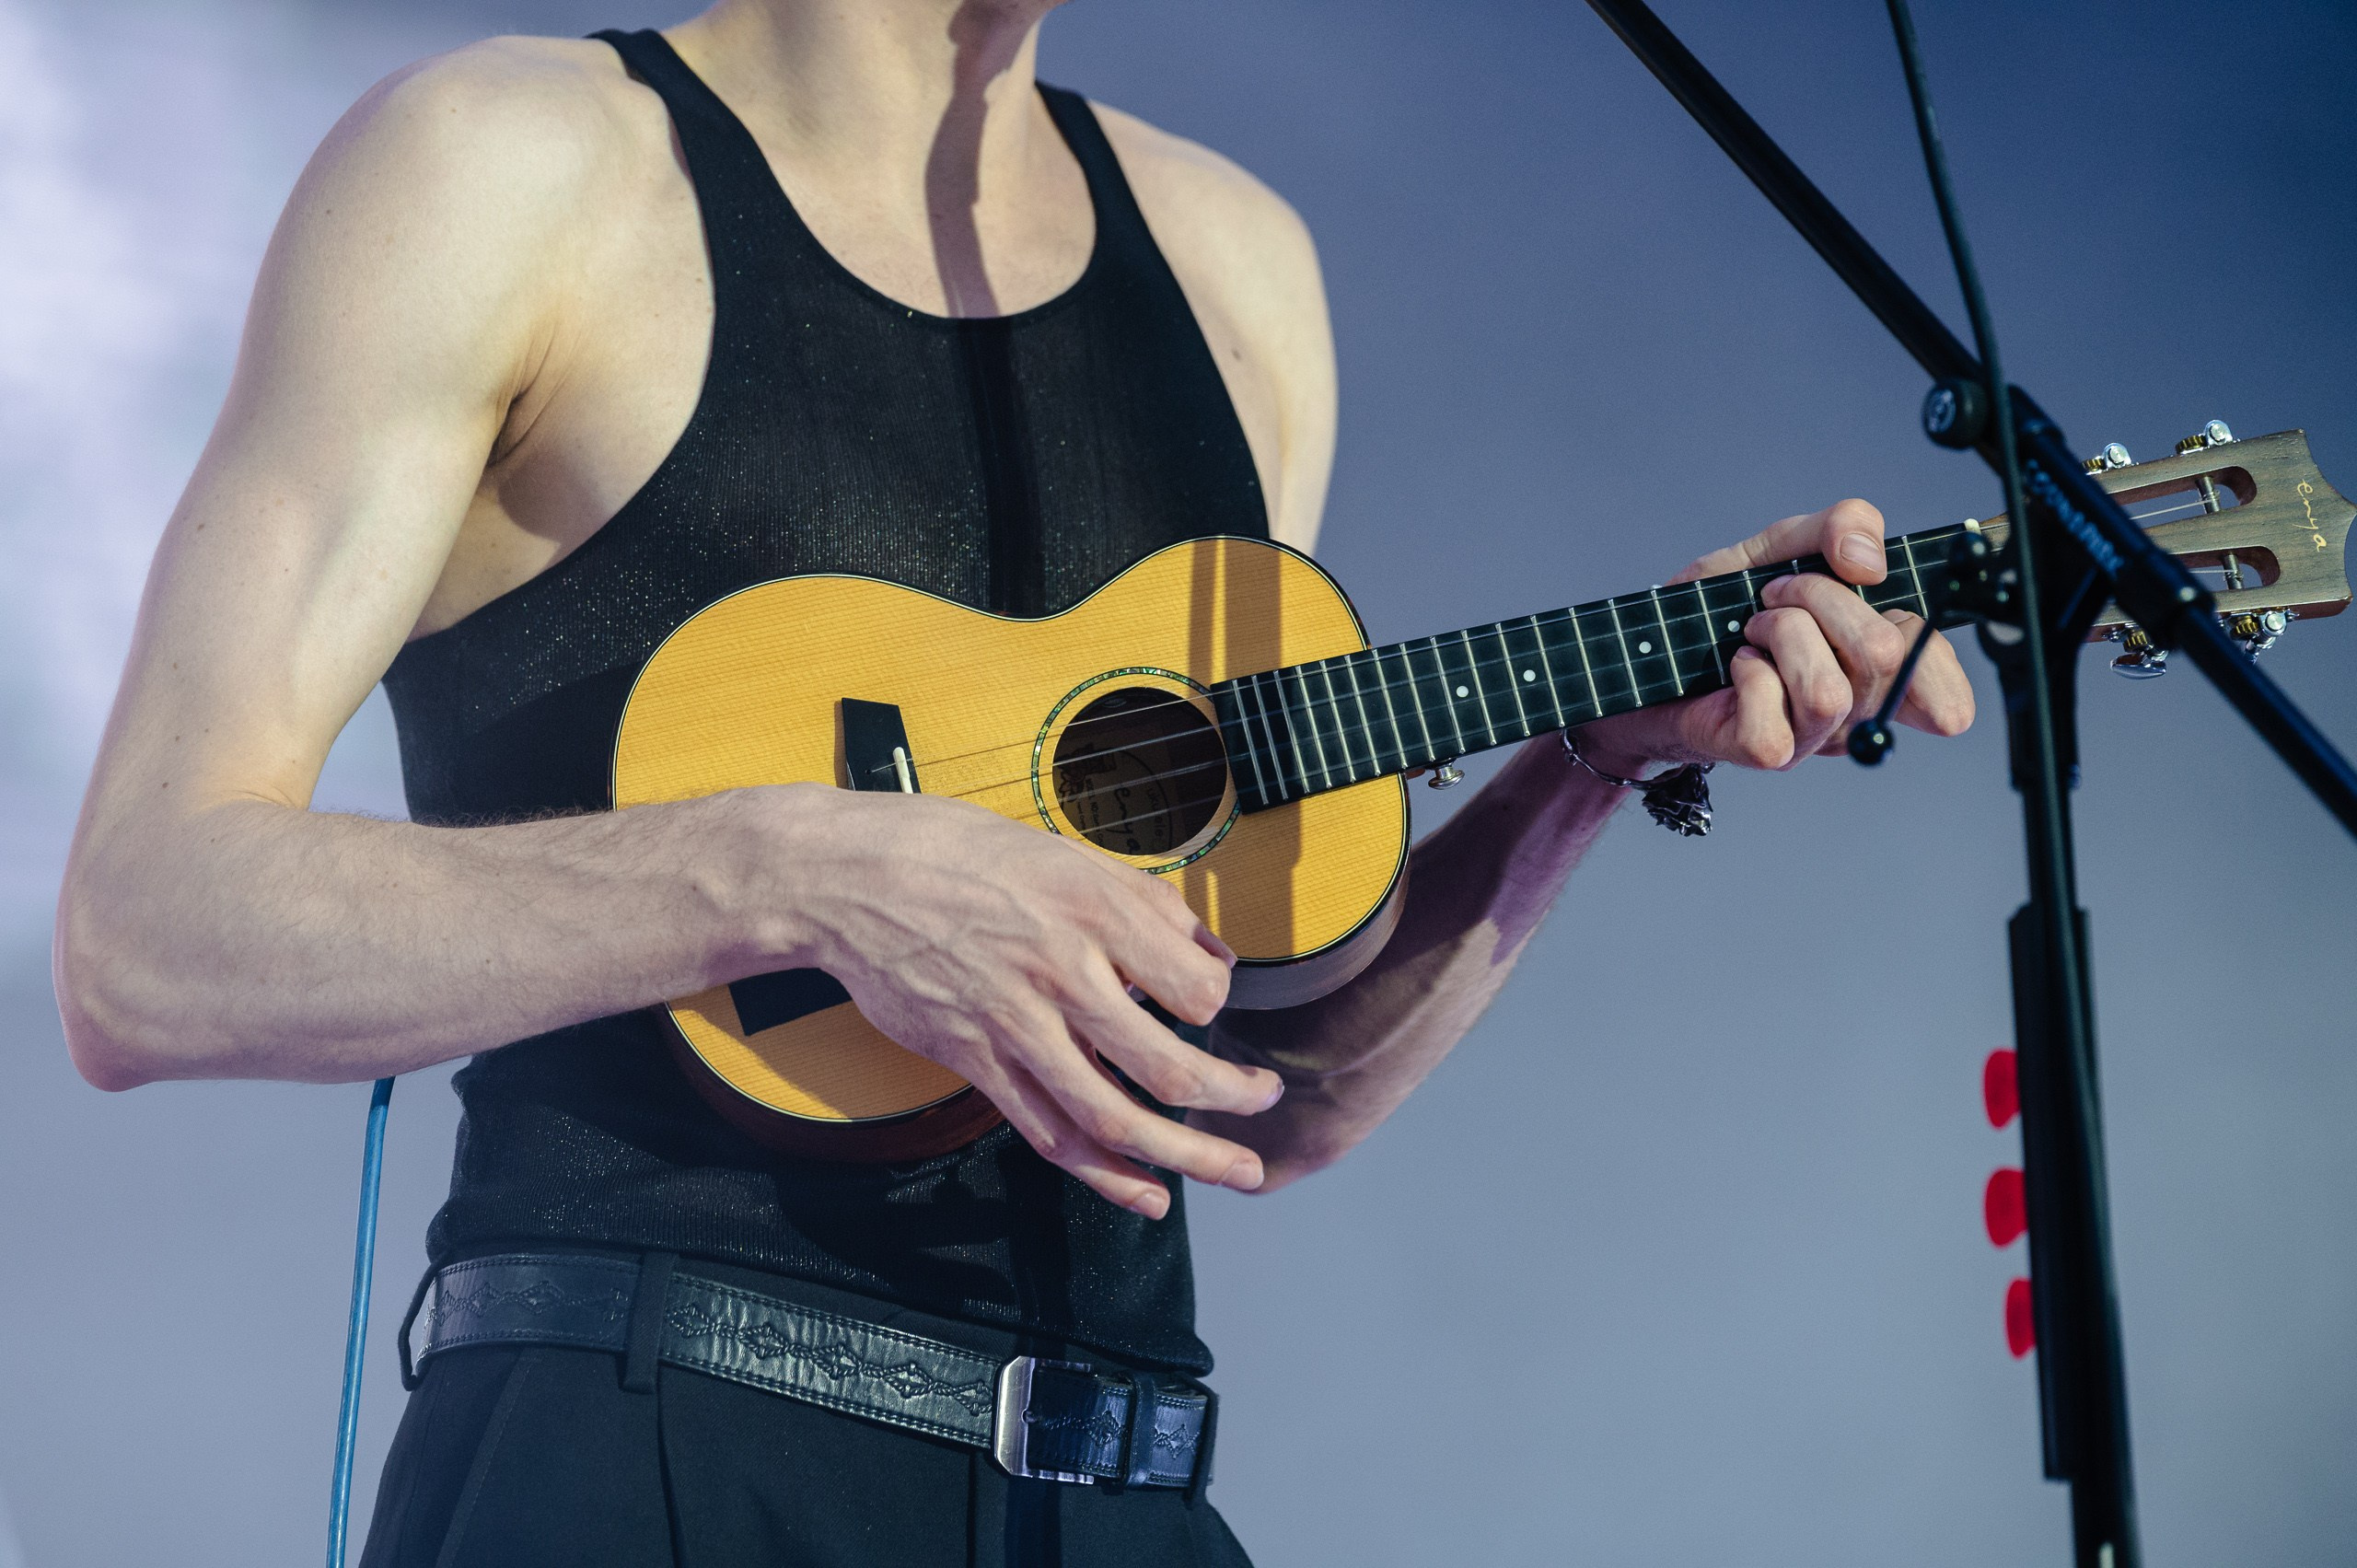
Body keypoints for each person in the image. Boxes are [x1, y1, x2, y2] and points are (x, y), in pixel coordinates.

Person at [53, 1, 1975, 1562]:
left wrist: (1577, 766)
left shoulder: (1238, 271)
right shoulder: (517, 161)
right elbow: (148, 938)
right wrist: (784, 875)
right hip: (642, 1442)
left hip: (1116, 1494)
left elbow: (1245, 1100)